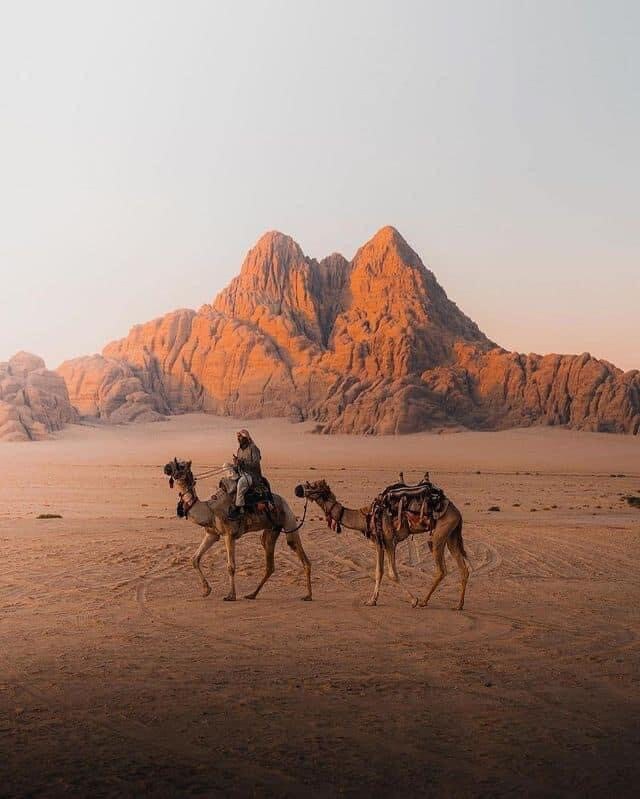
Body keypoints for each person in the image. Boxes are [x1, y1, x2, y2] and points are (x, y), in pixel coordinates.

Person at [228, 429, 262, 519]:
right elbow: (238, 464)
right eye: (238, 437)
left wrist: (242, 463)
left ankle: (239, 508)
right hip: (241, 472)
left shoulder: (253, 448)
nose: (239, 438)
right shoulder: (239, 449)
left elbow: (256, 463)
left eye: (241, 437)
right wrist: (236, 463)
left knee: (241, 483)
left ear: (246, 437)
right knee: (226, 465)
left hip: (252, 475)